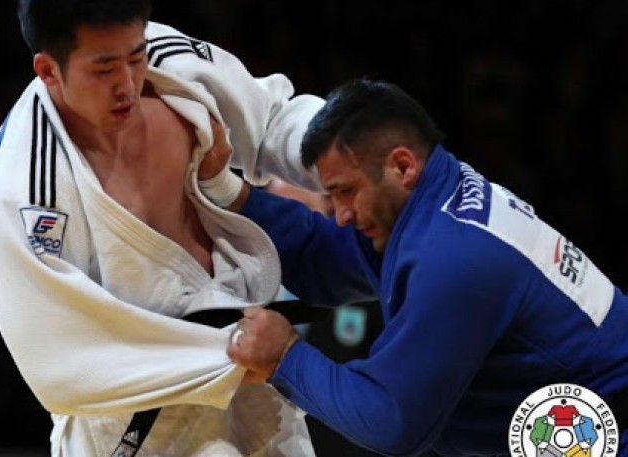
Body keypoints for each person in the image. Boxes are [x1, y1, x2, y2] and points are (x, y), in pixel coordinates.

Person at [198, 77, 628, 456]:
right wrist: (224, 187)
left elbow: (392, 421)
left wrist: (285, 356)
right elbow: (322, 259)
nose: (341, 214)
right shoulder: (434, 201)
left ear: (402, 165)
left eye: (346, 192)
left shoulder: (455, 256)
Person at [0, 0, 326, 455]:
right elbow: (57, 364)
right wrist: (231, 356)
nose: (127, 83)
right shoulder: (20, 183)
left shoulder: (168, 61)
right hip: (135, 425)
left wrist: (355, 151)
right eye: (104, 69)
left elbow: (274, 120)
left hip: (258, 392)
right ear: (48, 70)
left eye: (135, 56)